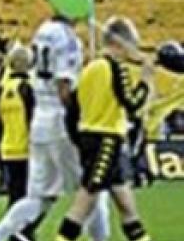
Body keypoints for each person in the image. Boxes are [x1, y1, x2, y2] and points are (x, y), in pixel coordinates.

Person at [0, 0, 110, 241]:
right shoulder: (68, 39)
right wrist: (80, 118)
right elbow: (64, 86)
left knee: (37, 197)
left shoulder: (43, 31)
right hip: (61, 121)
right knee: (92, 189)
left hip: (40, 119)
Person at [53, 17, 154, 241]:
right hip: (107, 140)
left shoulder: (89, 68)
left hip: (90, 138)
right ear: (120, 43)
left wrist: (80, 139)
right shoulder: (115, 68)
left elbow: (73, 108)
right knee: (86, 199)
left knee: (125, 202)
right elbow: (132, 103)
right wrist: (146, 81)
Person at [0, 45, 38, 241]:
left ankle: (14, 233)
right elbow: (32, 120)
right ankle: (21, 233)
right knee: (34, 198)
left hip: (7, 148)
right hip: (26, 149)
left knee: (15, 195)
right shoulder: (27, 88)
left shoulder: (1, 89)